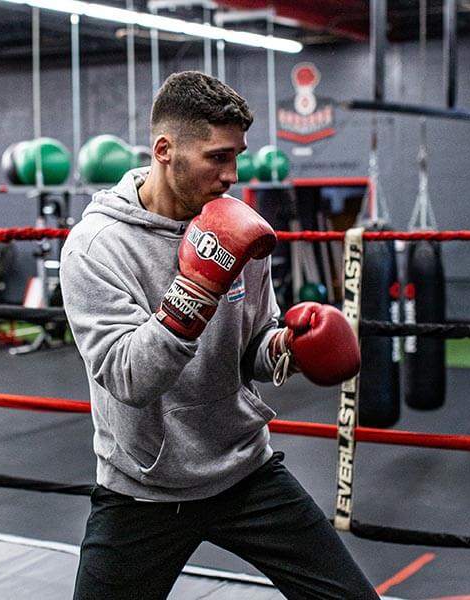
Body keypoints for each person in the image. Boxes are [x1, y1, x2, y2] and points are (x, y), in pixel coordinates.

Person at [60, 71, 377, 599]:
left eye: (237, 156)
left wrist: (288, 347)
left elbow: (252, 345)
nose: (231, 174)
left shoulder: (239, 226)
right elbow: (128, 378)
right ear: (165, 149)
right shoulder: (96, 248)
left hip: (244, 472)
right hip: (143, 491)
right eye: (216, 157)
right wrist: (195, 292)